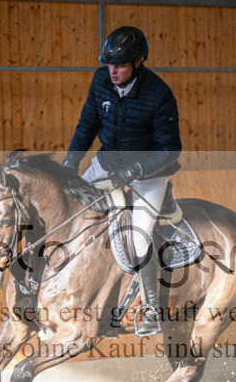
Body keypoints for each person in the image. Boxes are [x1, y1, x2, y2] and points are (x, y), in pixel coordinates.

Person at [64, 26, 182, 336]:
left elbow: (171, 149)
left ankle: (153, 311)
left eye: (120, 65)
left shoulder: (159, 94)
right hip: (108, 162)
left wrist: (133, 172)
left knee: (139, 239)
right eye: (109, 64)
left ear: (139, 62)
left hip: (149, 174)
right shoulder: (101, 80)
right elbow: (87, 122)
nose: (112, 71)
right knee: (70, 207)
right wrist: (71, 161)